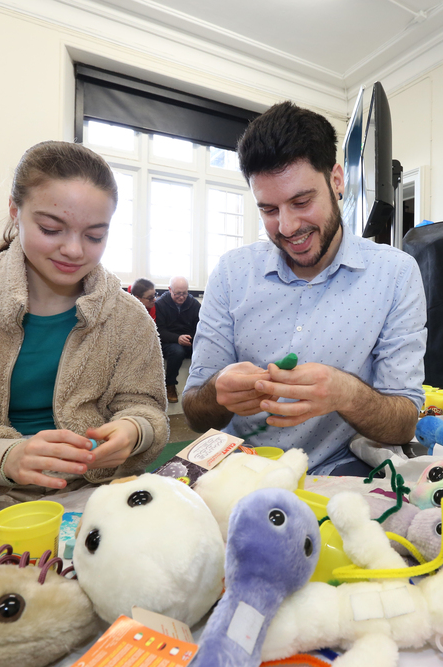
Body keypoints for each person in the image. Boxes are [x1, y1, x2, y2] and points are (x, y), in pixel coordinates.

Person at [0, 141, 169, 525]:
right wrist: (7, 458)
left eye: (95, 236)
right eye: (50, 228)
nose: (74, 250)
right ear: (15, 211)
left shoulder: (127, 317)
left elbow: (145, 407)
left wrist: (134, 430)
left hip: (98, 492)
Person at [182, 102, 427, 476]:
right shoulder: (232, 273)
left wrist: (346, 393)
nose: (286, 226)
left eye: (301, 201)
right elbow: (195, 413)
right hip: (240, 472)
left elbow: (403, 423)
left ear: (337, 180)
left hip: (340, 470)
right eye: (268, 209)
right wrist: (218, 390)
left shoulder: (395, 274)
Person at [155, 275, 200, 404]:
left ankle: (200, 384)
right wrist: (177, 338)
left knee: (205, 348)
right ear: (170, 290)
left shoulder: (194, 304)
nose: (181, 297)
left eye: (184, 293)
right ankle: (170, 385)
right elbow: (159, 330)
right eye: (178, 293)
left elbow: (200, 326)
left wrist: (190, 337)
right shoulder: (160, 304)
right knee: (177, 351)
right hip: (168, 342)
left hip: (188, 340)